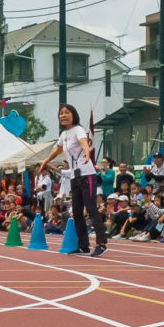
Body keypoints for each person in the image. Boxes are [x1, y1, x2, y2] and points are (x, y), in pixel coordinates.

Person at [37, 104, 108, 256]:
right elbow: (57, 149)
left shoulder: (79, 130)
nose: (63, 115)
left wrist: (88, 153)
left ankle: (101, 243)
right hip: (75, 177)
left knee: (91, 209)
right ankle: (83, 245)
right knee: (75, 211)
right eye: (61, 113)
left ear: (73, 114)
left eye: (67, 112)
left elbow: (84, 142)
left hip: (87, 175)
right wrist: (45, 161)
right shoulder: (64, 134)